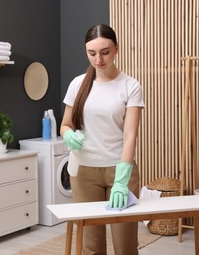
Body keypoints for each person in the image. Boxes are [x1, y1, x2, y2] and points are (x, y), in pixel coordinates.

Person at [60, 23, 144, 255]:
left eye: (105, 52)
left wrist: (122, 179)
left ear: (116, 49)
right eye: (92, 53)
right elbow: (65, 124)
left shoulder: (130, 85)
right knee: (92, 246)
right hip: (84, 172)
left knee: (126, 245)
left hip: (120, 170)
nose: (99, 59)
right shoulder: (78, 84)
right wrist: (68, 135)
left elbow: (130, 136)